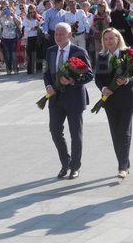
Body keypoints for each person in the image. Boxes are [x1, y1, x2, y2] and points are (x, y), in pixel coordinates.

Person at [43, 22, 94, 180]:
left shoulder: (79, 51)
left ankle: (75, 167)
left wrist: (72, 81)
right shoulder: (50, 51)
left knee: (75, 134)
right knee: (55, 131)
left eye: (62, 34)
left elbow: (89, 75)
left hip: (74, 99)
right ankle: (65, 162)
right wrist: (49, 85)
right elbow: (46, 73)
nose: (58, 37)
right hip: (56, 99)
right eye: (56, 34)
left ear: (70, 35)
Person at [94, 28, 133, 179]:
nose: (108, 41)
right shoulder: (102, 56)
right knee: (115, 133)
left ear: (117, 38)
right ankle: (124, 163)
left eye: (111, 38)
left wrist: (127, 80)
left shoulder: (127, 53)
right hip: (110, 100)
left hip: (127, 99)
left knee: (125, 132)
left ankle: (122, 167)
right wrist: (104, 88)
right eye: (105, 39)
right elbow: (98, 78)